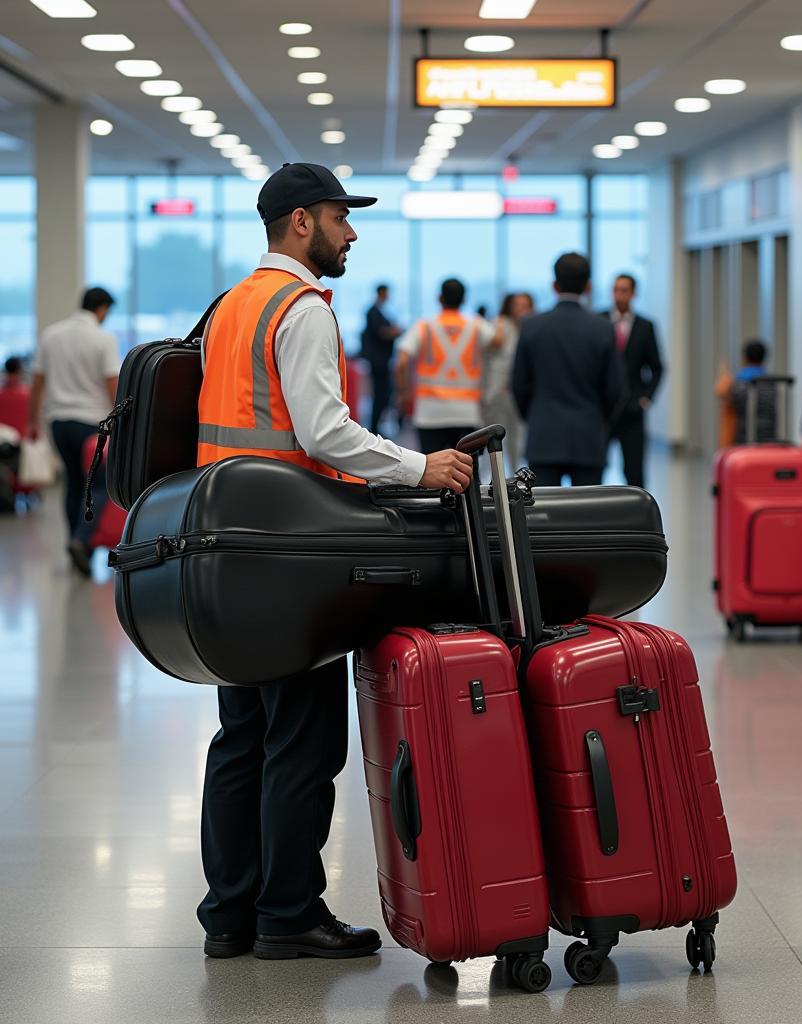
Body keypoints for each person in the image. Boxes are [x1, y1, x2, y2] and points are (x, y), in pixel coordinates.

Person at [194, 162, 473, 963]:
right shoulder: (303, 307)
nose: (352, 232)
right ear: (300, 223)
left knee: (241, 738)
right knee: (304, 742)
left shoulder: (231, 305)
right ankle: (288, 914)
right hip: (290, 556)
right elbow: (323, 432)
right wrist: (422, 468)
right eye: (340, 217)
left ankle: (230, 916)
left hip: (230, 552)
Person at [27, 287, 120, 576]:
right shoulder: (103, 339)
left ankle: (74, 542)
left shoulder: (51, 335)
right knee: (98, 485)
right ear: (102, 309)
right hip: (91, 424)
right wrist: (120, 419)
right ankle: (82, 542)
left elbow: (38, 382)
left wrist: (32, 420)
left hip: (59, 423)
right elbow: (111, 385)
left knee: (73, 483)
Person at [512, 253, 627, 486]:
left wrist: (535, 415)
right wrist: (600, 421)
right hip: (589, 437)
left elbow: (519, 384)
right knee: (586, 516)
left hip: (544, 436)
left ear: (554, 285)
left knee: (543, 515)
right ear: (588, 286)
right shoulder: (603, 328)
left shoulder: (532, 326)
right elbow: (616, 389)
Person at [394, 278, 496, 455]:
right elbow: (498, 340)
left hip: (429, 412)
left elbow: (401, 361)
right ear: (464, 300)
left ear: (440, 298)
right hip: (467, 412)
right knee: (468, 475)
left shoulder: (424, 326)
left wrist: (404, 392)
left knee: (431, 472)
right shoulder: (477, 326)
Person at [603, 273, 664, 488]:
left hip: (633, 408)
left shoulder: (645, 326)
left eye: (624, 290)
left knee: (634, 470)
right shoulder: (598, 321)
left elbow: (657, 367)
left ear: (633, 294)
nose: (619, 294)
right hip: (603, 408)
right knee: (596, 466)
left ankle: (637, 516)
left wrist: (646, 397)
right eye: (616, 289)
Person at [483, 292, 534, 471]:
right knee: (496, 434)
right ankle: (495, 476)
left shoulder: (532, 329)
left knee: (519, 436)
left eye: (525, 305)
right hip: (499, 390)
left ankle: (517, 472)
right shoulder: (500, 326)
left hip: (522, 392)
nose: (521, 309)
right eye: (517, 305)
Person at [360, 283, 403, 434]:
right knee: (381, 396)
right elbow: (383, 333)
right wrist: (396, 332)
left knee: (384, 396)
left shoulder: (380, 312)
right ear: (381, 293)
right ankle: (374, 429)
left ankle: (376, 427)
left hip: (382, 361)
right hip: (378, 362)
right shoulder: (373, 312)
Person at [729, 339, 777, 444]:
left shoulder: (738, 384)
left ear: (745, 358)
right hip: (770, 440)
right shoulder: (773, 385)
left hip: (744, 439)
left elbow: (731, 410)